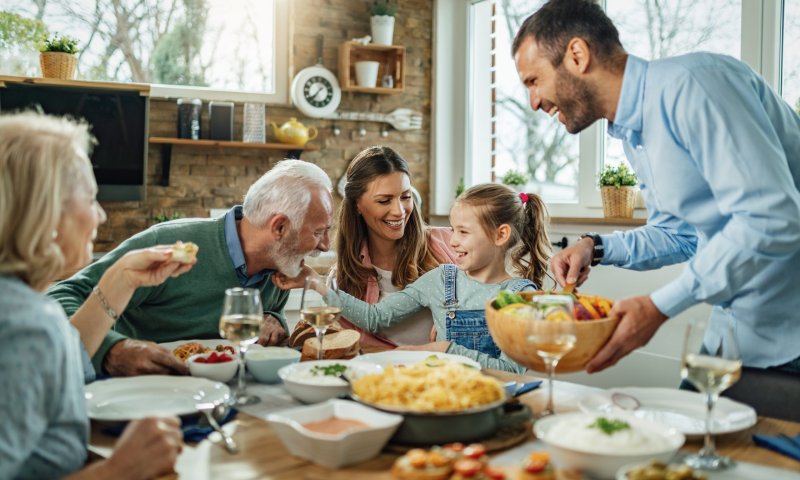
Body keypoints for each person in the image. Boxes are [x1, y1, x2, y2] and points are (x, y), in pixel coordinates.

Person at [513, 0, 800, 373]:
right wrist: (594, 246)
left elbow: (772, 217)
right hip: (735, 336)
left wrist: (659, 306)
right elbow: (681, 235)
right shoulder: (635, 132)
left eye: (534, 81)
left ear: (578, 55)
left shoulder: (696, 85)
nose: (533, 102)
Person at [0, 112, 185, 479]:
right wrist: (120, 469)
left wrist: (122, 278)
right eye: (91, 198)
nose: (100, 215)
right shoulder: (25, 326)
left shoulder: (19, 306)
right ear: (47, 213)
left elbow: (62, 361)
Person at [48, 159, 333, 377]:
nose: (325, 246)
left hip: (214, 396)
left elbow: (268, 325)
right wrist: (112, 349)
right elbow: (59, 298)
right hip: (129, 390)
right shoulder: (170, 243)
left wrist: (274, 321)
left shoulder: (281, 266)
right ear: (280, 227)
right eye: (319, 232)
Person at [305, 184, 551, 372]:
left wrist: (446, 350)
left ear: (501, 235)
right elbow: (375, 318)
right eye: (453, 230)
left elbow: (512, 371)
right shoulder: (443, 279)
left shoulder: (519, 296)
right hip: (439, 393)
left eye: (464, 232)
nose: (453, 240)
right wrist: (318, 285)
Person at [332, 146, 457, 348]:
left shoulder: (450, 243)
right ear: (357, 205)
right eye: (384, 200)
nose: (399, 211)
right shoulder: (343, 280)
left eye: (405, 197)